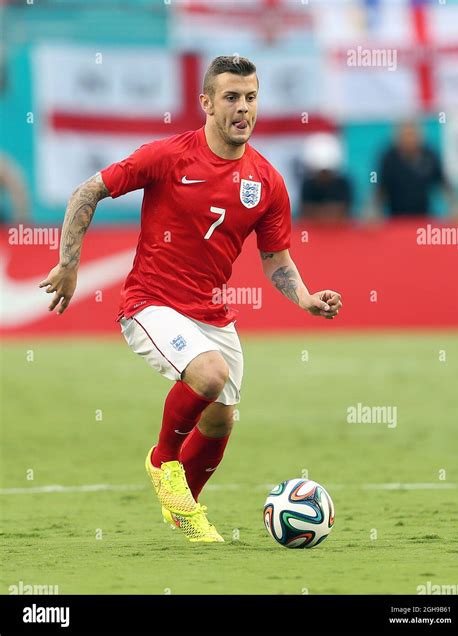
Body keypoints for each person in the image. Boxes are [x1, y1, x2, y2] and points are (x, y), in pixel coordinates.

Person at [39, 56, 342, 543]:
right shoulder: (167, 156)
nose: (242, 109)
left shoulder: (266, 181)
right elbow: (87, 191)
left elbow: (275, 257)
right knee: (209, 374)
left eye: (250, 98)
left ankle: (186, 511)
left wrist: (305, 298)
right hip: (150, 302)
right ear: (206, 103)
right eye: (230, 98)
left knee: (221, 418)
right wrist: (69, 264)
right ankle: (163, 462)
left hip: (210, 311)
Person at [370, 121, 458, 219]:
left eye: (412, 135)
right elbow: (380, 189)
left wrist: (456, 208)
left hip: (424, 217)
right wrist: (373, 211)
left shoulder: (429, 155)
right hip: (396, 219)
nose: (409, 139)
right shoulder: (388, 158)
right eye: (405, 135)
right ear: (397, 138)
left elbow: (444, 185)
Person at [299, 133, 353, 223]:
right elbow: (306, 211)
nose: (324, 176)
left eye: (326, 172)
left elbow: (343, 211)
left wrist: (318, 211)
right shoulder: (307, 185)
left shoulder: (343, 184)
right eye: (321, 172)